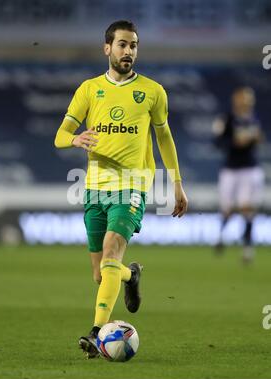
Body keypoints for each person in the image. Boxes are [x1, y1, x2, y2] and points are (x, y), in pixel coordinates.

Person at [54, 20, 188, 358]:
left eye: (134, 45)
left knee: (113, 251)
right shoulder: (88, 90)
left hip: (132, 186)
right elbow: (60, 135)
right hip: (95, 187)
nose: (128, 51)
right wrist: (75, 138)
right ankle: (132, 276)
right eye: (122, 45)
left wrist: (177, 183)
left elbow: (164, 138)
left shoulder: (153, 92)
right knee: (103, 274)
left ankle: (97, 332)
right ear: (107, 48)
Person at [213, 87, 264, 263]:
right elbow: (217, 141)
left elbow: (257, 139)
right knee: (227, 209)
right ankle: (220, 237)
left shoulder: (253, 118)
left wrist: (256, 139)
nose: (247, 103)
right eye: (244, 99)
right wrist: (234, 142)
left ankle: (247, 249)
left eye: (250, 99)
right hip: (230, 169)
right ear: (237, 100)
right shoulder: (226, 119)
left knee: (246, 207)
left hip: (249, 169)